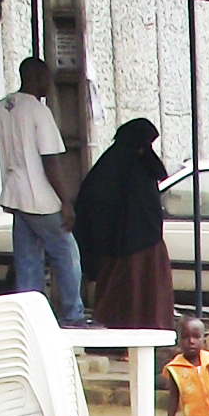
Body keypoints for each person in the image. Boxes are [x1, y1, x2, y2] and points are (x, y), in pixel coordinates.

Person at [0, 58, 89, 326]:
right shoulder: (39, 111)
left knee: (28, 261)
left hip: (15, 196)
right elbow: (50, 160)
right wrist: (65, 202)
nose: (49, 85)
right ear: (36, 78)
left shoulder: (3, 107)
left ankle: (30, 319)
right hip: (40, 198)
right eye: (46, 79)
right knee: (67, 254)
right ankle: (73, 315)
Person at [70, 119, 174, 331]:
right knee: (132, 291)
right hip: (125, 246)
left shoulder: (117, 164)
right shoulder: (124, 165)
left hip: (131, 244)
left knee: (128, 290)